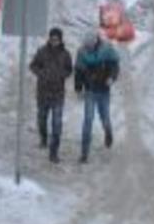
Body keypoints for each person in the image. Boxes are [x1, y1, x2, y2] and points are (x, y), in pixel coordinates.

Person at [29, 28, 73, 163]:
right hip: (43, 93)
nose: (54, 41)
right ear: (49, 39)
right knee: (42, 119)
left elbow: (69, 70)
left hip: (58, 95)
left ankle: (54, 153)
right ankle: (43, 138)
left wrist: (62, 75)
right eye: (52, 39)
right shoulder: (42, 51)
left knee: (57, 124)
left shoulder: (66, 54)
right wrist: (42, 74)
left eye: (57, 39)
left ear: (60, 40)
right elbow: (33, 66)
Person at [74, 32, 120, 163]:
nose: (88, 48)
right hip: (90, 90)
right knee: (88, 120)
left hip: (104, 90)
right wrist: (78, 88)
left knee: (104, 116)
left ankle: (108, 132)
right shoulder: (81, 52)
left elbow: (115, 66)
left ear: (96, 42)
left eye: (90, 45)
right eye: (86, 46)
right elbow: (78, 71)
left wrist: (112, 77)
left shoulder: (107, 49)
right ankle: (84, 153)